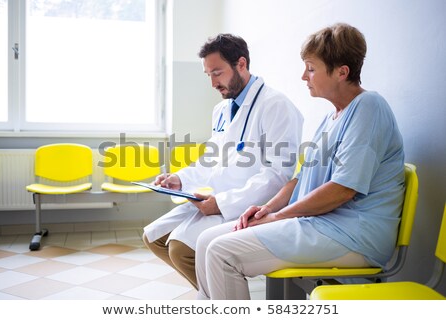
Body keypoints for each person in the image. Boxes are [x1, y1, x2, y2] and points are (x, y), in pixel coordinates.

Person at [195, 23, 405, 300]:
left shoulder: (369, 108)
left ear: (342, 72)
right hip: (320, 223)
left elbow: (343, 188)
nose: (304, 76)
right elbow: (299, 179)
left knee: (222, 253)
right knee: (205, 241)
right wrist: (264, 209)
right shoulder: (331, 118)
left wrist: (277, 217)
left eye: (311, 68)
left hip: (353, 234)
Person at [142, 33, 304, 289]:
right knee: (154, 237)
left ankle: (221, 300)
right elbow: (210, 159)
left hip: (248, 205)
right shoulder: (222, 109)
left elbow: (278, 175)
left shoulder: (275, 106)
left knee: (180, 250)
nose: (213, 83)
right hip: (215, 200)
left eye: (217, 72)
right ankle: (218, 295)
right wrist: (180, 178)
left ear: (241, 64)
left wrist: (223, 204)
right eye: (209, 75)